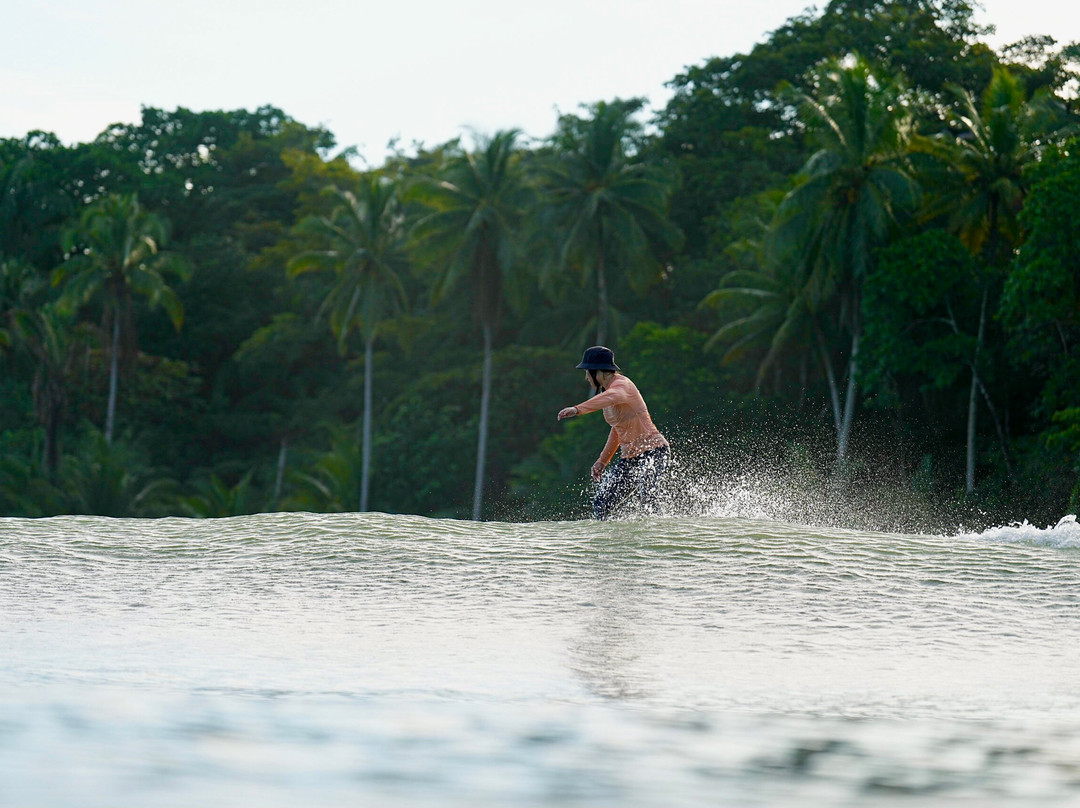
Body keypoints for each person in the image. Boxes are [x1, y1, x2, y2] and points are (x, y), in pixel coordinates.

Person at [557, 346, 670, 519]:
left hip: (653, 450)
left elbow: (612, 396)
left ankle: (661, 533)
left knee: (647, 495)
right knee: (602, 503)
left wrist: (577, 409)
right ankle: (611, 539)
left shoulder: (621, 385)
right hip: (630, 458)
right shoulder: (607, 393)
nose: (586, 377)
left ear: (599, 372)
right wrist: (602, 461)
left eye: (587, 372)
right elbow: (618, 430)